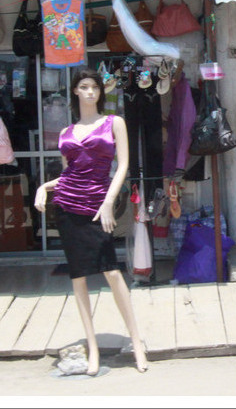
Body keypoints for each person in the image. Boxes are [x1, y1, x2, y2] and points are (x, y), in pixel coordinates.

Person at [34, 68, 148, 376]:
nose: (89, 92)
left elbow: (123, 165)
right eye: (83, 87)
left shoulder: (114, 123)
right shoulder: (65, 133)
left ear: (100, 92)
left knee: (111, 271)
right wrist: (44, 186)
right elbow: (70, 173)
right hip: (67, 205)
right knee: (78, 275)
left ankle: (136, 343)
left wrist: (109, 201)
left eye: (94, 87)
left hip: (99, 204)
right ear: (75, 91)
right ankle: (93, 349)